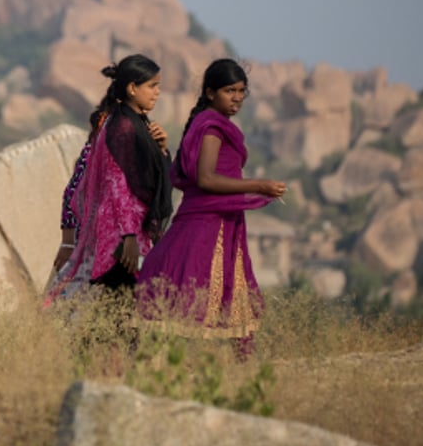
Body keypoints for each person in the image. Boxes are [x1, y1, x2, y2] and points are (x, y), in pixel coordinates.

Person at [136, 59, 286, 344]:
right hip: (207, 224)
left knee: (209, 300)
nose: (238, 98)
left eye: (242, 91)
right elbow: (205, 179)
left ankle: (229, 375)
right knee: (197, 302)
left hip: (219, 220)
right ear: (209, 92)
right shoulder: (213, 128)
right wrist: (260, 185)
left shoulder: (210, 123)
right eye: (230, 90)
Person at [46, 54, 173, 304]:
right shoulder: (123, 126)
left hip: (133, 231)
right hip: (121, 236)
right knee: (120, 304)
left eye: (158, 85)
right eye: (152, 85)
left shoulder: (138, 123)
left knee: (124, 307)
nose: (158, 92)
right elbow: (118, 184)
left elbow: (153, 176)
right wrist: (128, 237)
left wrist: (161, 148)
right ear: (132, 88)